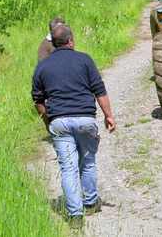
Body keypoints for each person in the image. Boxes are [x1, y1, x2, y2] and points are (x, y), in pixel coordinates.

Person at [31, 24, 116, 229]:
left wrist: (48, 118)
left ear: (52, 43)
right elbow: (100, 91)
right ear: (71, 41)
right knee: (87, 162)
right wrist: (109, 116)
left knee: (68, 168)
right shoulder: (84, 59)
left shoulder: (43, 65)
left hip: (59, 121)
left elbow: (38, 99)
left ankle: (75, 216)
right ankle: (90, 203)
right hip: (85, 120)